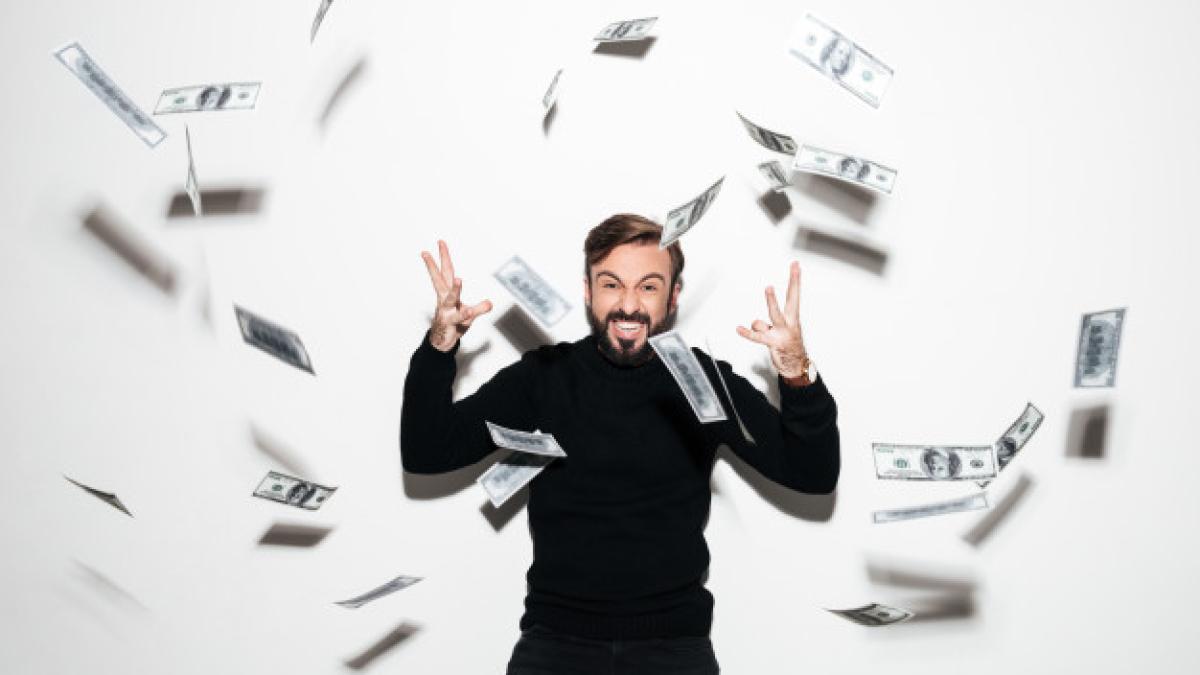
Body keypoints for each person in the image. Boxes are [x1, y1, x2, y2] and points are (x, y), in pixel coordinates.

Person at [400, 214, 840, 674]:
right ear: (588, 291)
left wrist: (796, 372)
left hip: (674, 649)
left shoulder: (702, 381)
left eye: (648, 287)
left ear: (673, 297)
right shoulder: (545, 377)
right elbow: (427, 452)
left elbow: (811, 474)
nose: (628, 305)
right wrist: (440, 345)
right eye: (612, 285)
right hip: (555, 645)